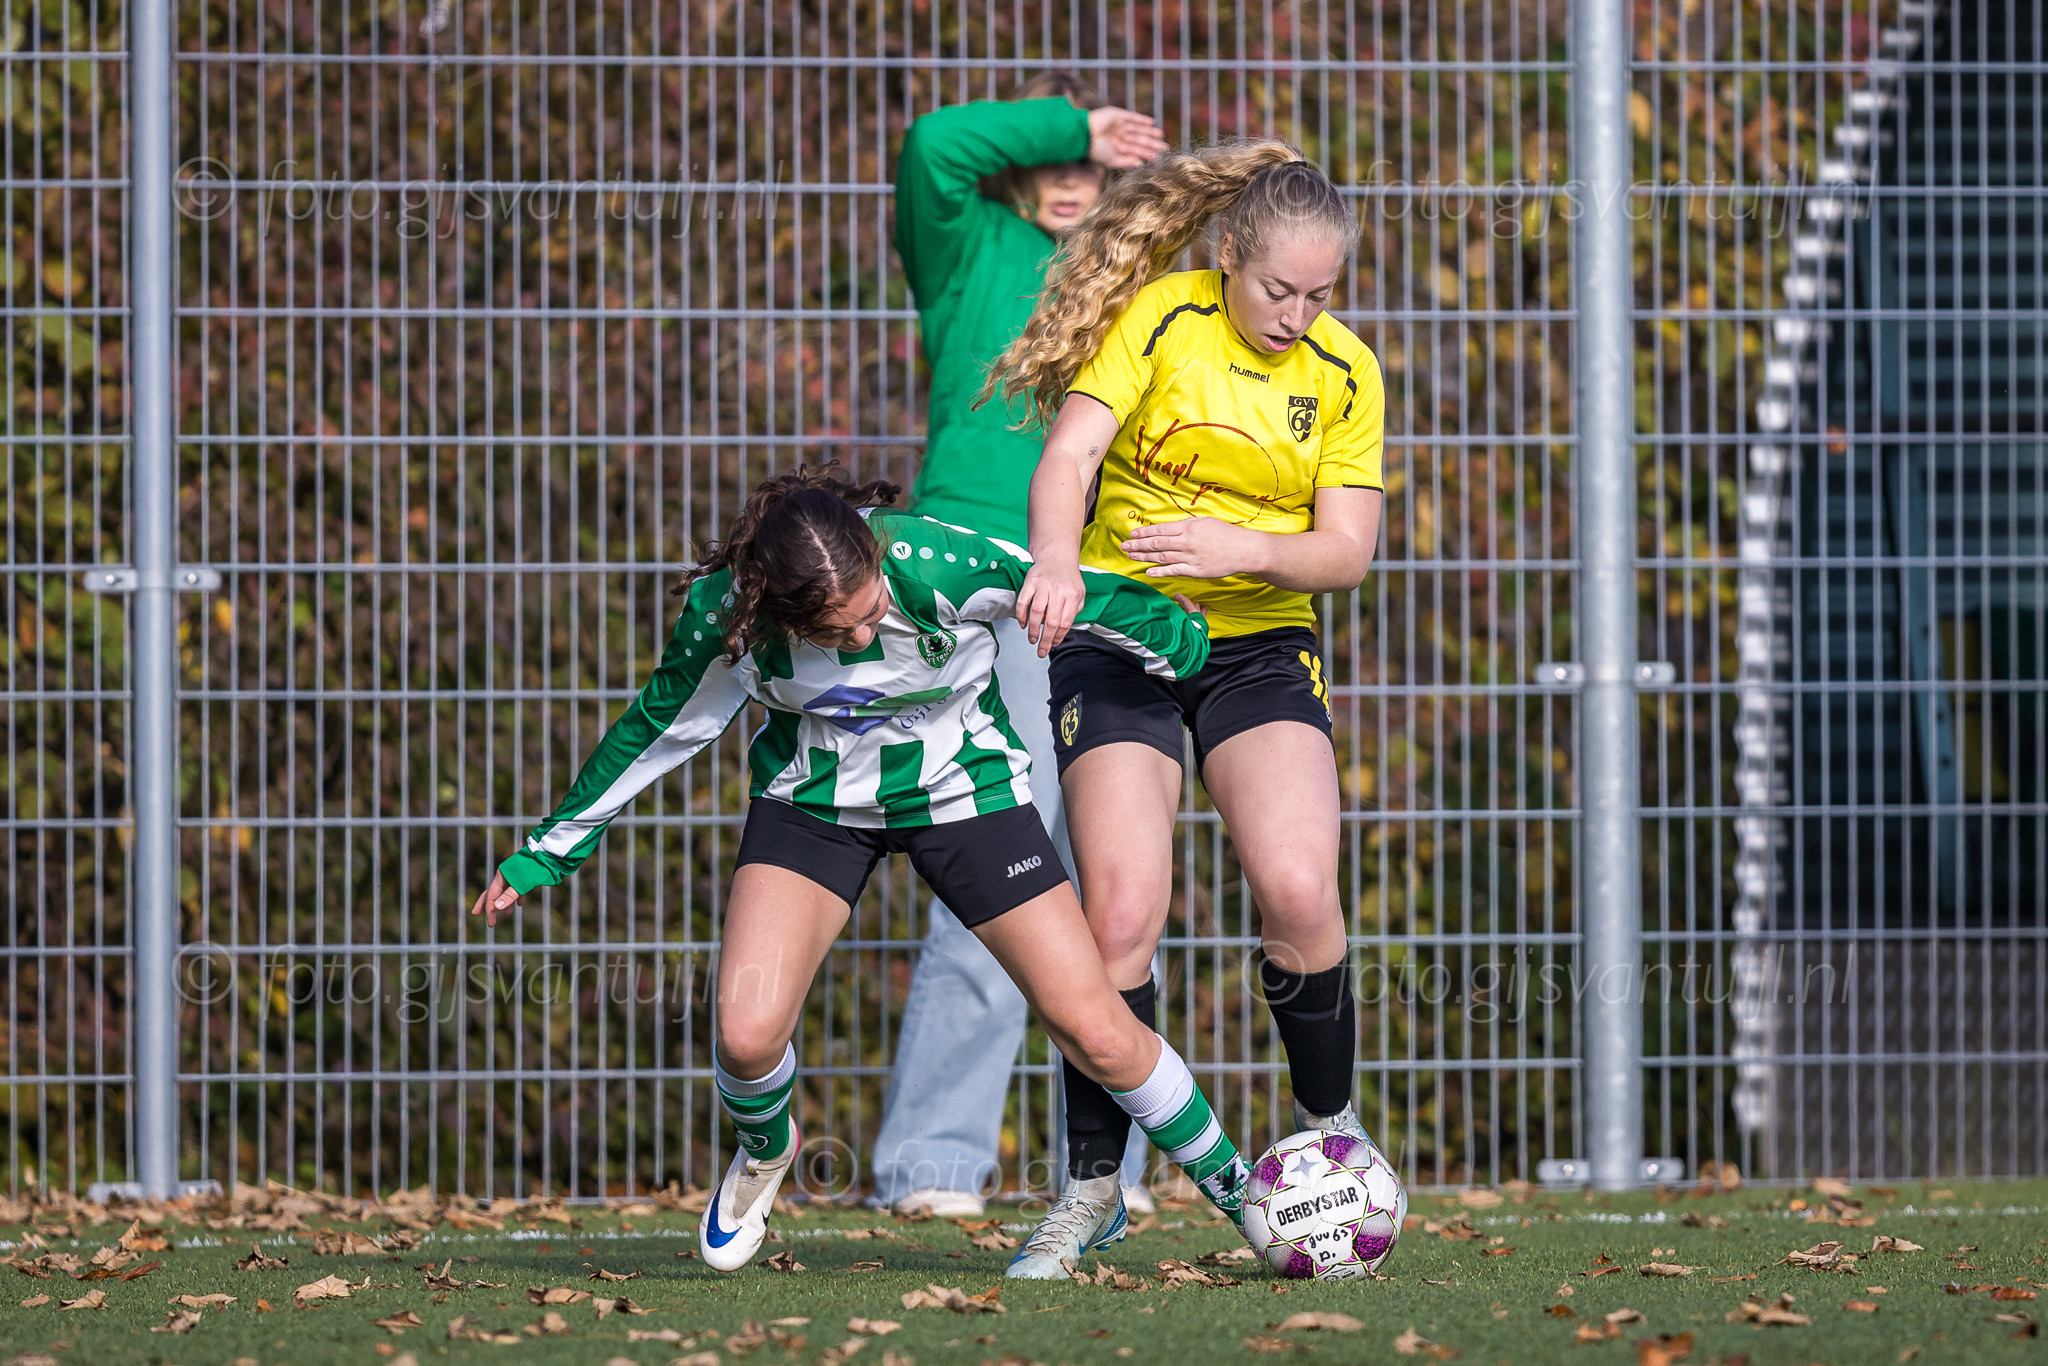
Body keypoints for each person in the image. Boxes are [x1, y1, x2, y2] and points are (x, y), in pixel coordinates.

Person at [465, 467, 1250, 1273]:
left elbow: (1081, 592)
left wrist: (1185, 644)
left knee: (1096, 1030)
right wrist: (545, 851)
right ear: (782, 615)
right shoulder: (729, 618)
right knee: (744, 1035)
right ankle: (766, 1150)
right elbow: (655, 729)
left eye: (874, 612)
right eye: (841, 635)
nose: (868, 638)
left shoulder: (937, 562)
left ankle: (1247, 1198)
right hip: (814, 805)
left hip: (963, 794)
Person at [983, 141, 1387, 1277]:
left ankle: (1332, 1140)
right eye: (1278, 290)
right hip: (1121, 638)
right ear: (1226, 258)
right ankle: (1093, 1188)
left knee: (1298, 889)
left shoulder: (1347, 372)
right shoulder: (1161, 318)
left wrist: (1236, 547)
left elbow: (1345, 552)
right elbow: (1068, 457)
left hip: (1257, 649)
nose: (1297, 316)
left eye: (1319, 295)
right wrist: (1055, 560)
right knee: (1116, 919)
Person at [871, 72, 1169, 1219]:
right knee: (994, 858)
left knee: (1115, 889)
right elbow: (933, 144)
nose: (1072, 178)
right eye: (1056, 156)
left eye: (1093, 166)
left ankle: (1108, 1168)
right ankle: (932, 1166)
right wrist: (1076, 124)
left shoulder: (1130, 283)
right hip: (979, 589)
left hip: (1096, 595)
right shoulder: (965, 245)